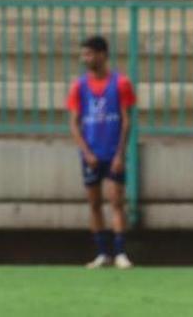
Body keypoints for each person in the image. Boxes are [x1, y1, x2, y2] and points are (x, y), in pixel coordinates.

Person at [67, 35, 135, 270]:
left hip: (111, 151)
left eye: (89, 54)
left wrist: (119, 154)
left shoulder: (121, 84)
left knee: (116, 201)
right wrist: (86, 152)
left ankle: (121, 253)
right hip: (91, 153)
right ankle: (103, 252)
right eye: (83, 54)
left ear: (102, 55)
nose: (85, 58)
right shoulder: (79, 86)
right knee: (94, 203)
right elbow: (74, 123)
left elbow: (126, 121)